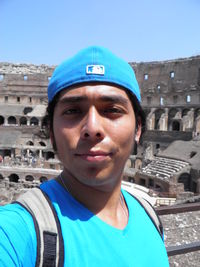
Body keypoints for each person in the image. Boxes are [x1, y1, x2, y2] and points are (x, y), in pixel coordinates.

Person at [0, 46, 169, 266]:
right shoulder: (17, 233)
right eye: (73, 111)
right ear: (51, 131)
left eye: (112, 110)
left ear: (138, 128)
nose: (92, 127)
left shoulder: (151, 218)